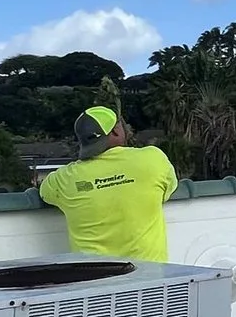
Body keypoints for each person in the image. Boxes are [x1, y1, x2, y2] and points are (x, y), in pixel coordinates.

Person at [39, 106, 179, 262]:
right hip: (150, 280)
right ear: (116, 131)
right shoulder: (152, 159)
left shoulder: (65, 179)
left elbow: (44, 192)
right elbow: (169, 187)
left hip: (95, 282)